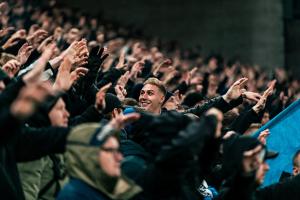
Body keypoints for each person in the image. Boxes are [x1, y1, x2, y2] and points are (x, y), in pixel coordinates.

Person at [57, 112, 142, 200]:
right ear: (89, 155)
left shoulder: (103, 188)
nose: (119, 158)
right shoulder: (74, 195)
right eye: (110, 150)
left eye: (118, 151)